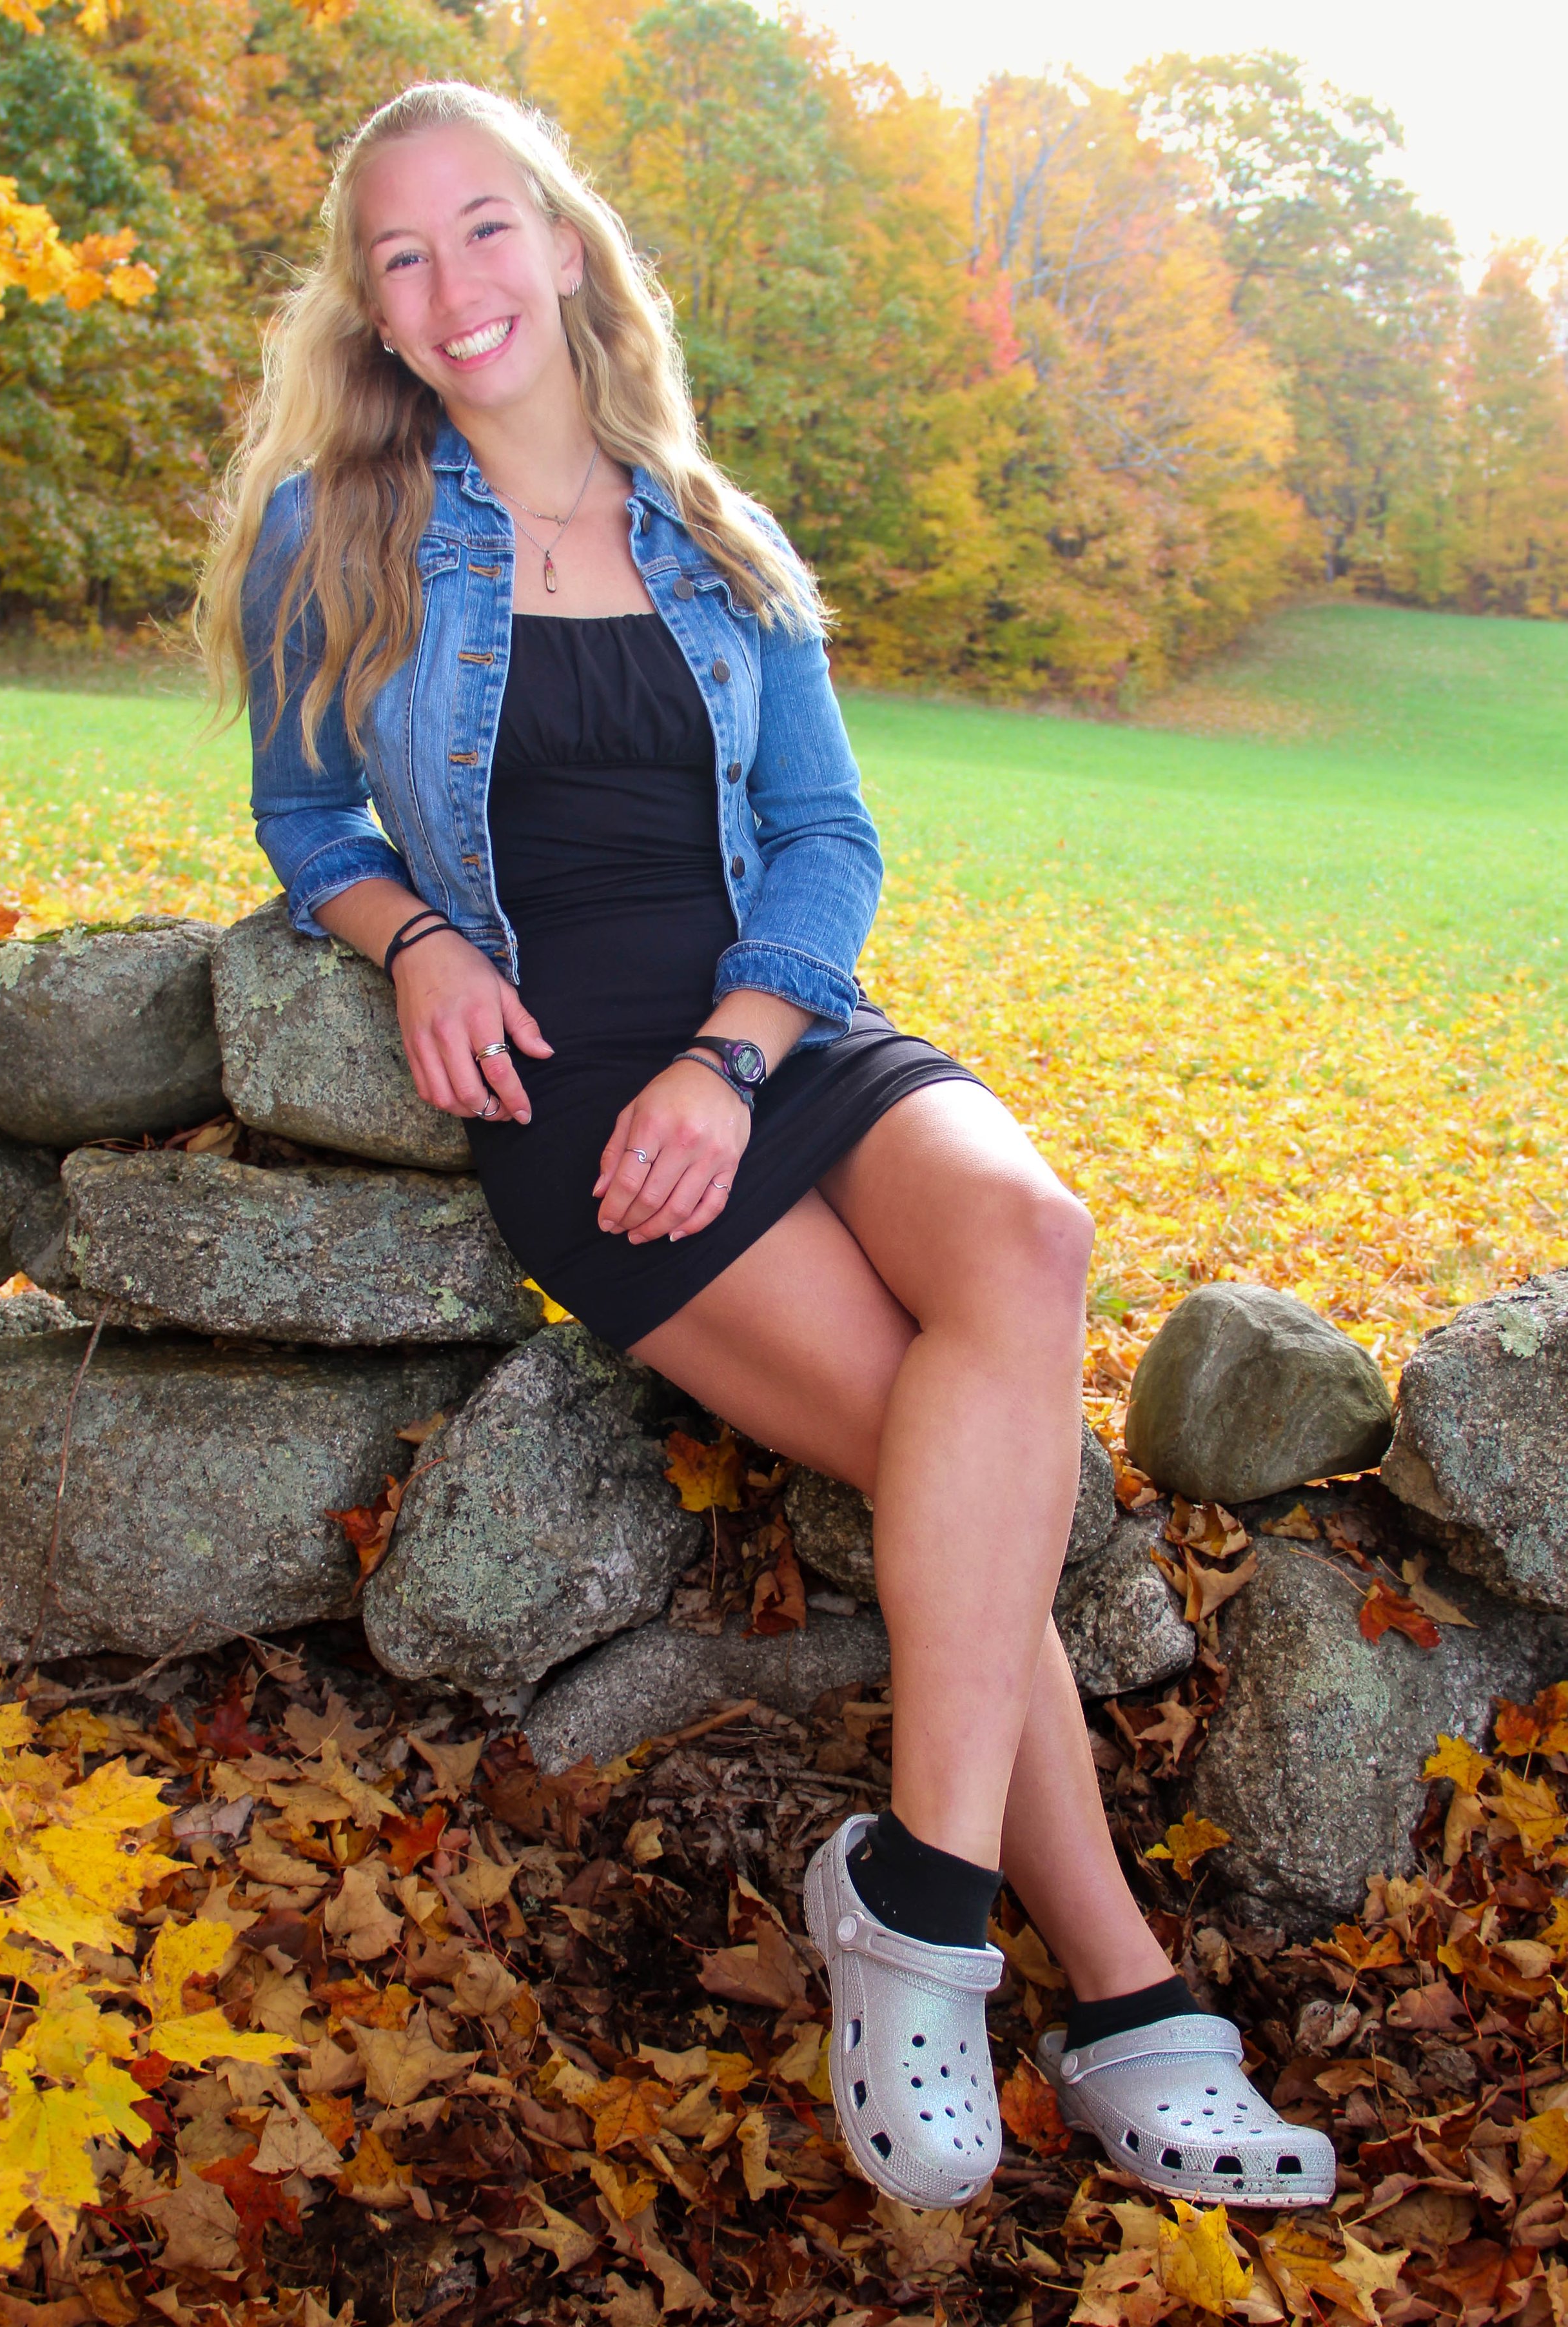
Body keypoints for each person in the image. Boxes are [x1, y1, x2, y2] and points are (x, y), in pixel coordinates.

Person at [199, 79, 1333, 2214]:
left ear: (562, 243)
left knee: (1026, 1228)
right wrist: (418, 936)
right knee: (959, 1445)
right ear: (367, 304)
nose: (450, 287)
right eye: (399, 256)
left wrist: (734, 1050)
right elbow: (303, 815)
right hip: (572, 1082)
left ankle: (910, 1901)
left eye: (482, 230)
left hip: (764, 1030)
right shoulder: (334, 529)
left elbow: (824, 836)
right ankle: (1115, 1991)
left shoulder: (712, 528)